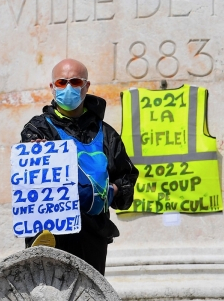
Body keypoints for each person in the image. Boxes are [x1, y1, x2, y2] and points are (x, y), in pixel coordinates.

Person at [21, 58, 138, 275]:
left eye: (75, 82)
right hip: (50, 234)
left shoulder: (106, 133)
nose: (68, 88)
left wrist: (113, 191)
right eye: (61, 82)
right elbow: (28, 178)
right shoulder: (36, 129)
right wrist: (36, 152)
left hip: (93, 233)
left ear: (86, 87)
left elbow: (126, 179)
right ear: (52, 87)